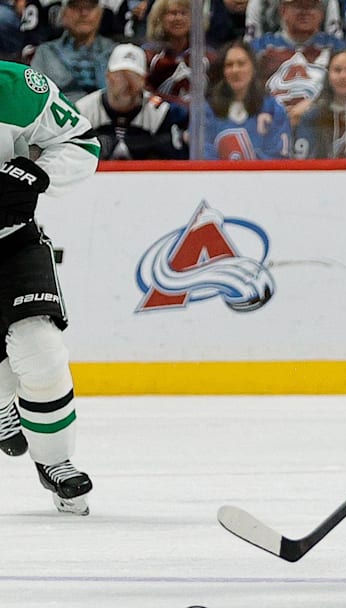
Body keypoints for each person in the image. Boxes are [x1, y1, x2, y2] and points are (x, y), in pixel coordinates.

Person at [0, 60, 99, 515]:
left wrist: (35, 175)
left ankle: (56, 463)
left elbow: (81, 142)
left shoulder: (16, 87)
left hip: (12, 240)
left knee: (40, 349)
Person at [76, 43, 190, 160]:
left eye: (133, 76)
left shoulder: (160, 112)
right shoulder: (84, 111)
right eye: (120, 75)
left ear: (144, 80)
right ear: (108, 76)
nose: (127, 83)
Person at [250, 0, 346, 127]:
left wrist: (314, 105)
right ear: (283, 10)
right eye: (298, 6)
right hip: (270, 124)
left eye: (311, 6)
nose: (305, 12)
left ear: (321, 12)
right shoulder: (260, 48)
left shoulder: (337, 48)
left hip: (322, 126)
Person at [203, 40, 292, 160]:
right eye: (229, 65)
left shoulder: (272, 108)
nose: (235, 70)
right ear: (223, 71)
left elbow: (278, 157)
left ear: (253, 68)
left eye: (241, 63)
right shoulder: (208, 111)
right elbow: (205, 155)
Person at [29, 0, 116, 102]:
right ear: (63, 13)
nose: (84, 13)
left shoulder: (115, 52)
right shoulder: (45, 53)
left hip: (105, 114)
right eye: (75, 7)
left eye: (90, 8)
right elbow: (34, 95)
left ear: (100, 13)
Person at [143, 0, 217, 106]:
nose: (178, 18)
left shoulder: (209, 56)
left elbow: (217, 94)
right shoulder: (148, 54)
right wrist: (177, 104)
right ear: (160, 18)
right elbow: (144, 92)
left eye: (184, 13)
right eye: (172, 13)